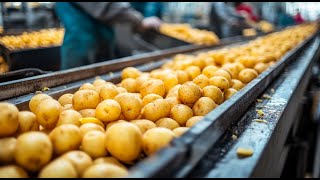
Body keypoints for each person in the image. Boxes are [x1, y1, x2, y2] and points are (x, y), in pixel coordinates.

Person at [55, 2, 161, 70]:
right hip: (82, 47)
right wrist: (139, 21)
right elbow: (106, 5)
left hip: (100, 45)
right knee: (75, 89)